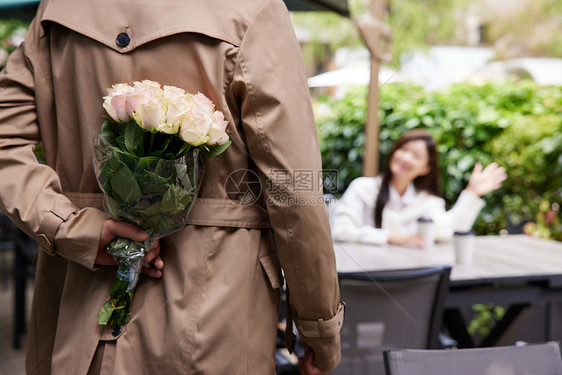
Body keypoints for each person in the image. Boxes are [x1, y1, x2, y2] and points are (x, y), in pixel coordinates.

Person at [0, 0, 343, 374]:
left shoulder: (57, 10)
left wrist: (70, 225)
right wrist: (319, 326)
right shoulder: (255, 10)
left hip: (76, 305)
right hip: (213, 311)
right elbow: (294, 187)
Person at [333, 129, 507, 246]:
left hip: (406, 276)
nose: (406, 158)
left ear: (426, 168)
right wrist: (388, 237)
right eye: (403, 149)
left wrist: (471, 193)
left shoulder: (427, 202)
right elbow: (340, 231)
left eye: (416, 155)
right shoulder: (363, 188)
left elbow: (447, 230)